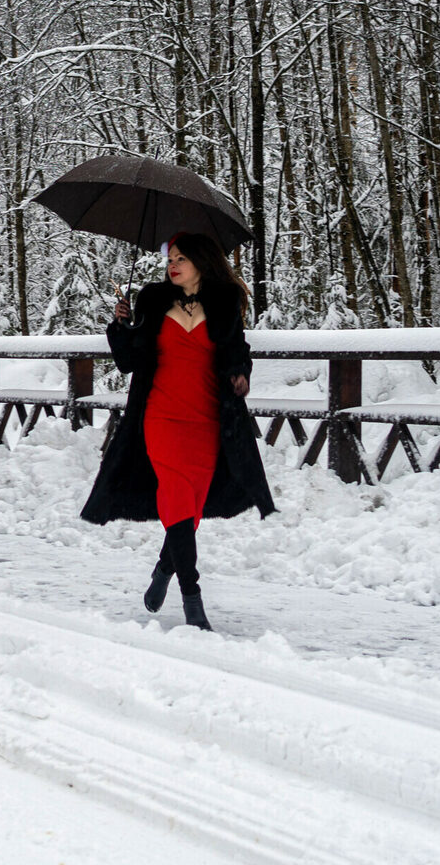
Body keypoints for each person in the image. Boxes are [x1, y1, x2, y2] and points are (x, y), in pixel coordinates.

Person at [79, 232, 275, 631]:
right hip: (160, 417)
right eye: (171, 258)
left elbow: (238, 350)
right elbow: (130, 360)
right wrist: (120, 327)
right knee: (176, 496)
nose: (172, 265)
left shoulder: (224, 305)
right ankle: (192, 597)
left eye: (181, 258)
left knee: (190, 504)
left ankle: (165, 568)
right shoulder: (152, 301)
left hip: (206, 421)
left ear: (202, 261)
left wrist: (240, 374)